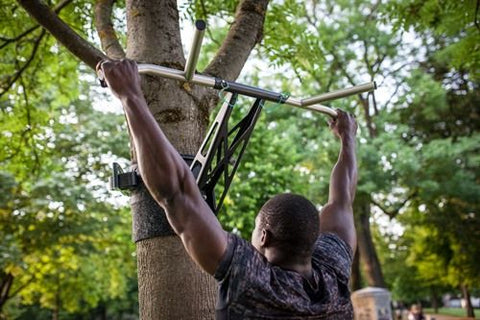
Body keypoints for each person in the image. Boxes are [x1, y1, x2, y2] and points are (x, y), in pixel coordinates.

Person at [98, 59, 358, 319]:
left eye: (255, 229)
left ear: (265, 237)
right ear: (314, 240)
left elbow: (177, 193)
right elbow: (342, 200)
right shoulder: (333, 274)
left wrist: (130, 95)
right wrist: (348, 140)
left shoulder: (253, 280)